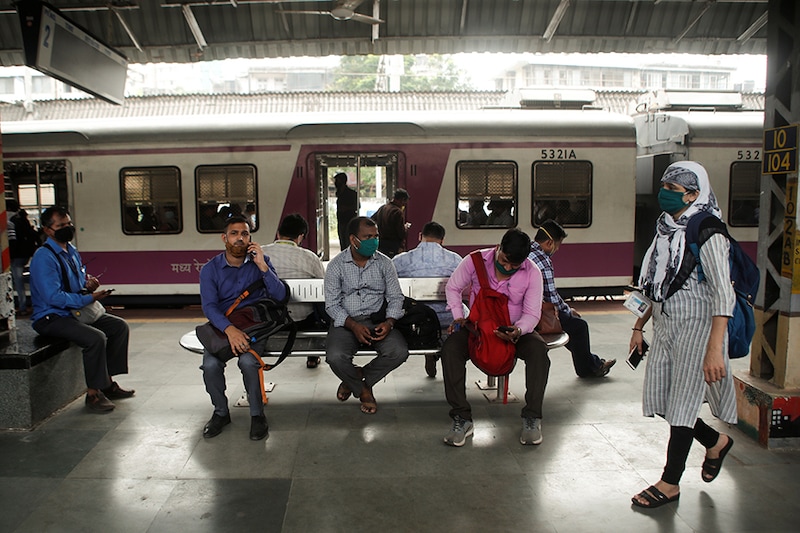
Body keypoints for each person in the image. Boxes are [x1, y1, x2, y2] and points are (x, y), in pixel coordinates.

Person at [630, 161, 736, 509]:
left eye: (672, 190)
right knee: (662, 399)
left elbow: (724, 293)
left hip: (698, 326)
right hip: (666, 325)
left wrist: (715, 349)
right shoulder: (666, 228)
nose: (663, 194)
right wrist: (638, 326)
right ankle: (714, 441)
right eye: (663, 186)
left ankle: (670, 482)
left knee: (684, 403)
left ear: (693, 194)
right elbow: (656, 284)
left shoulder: (708, 230)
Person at [441, 229, 550, 447]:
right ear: (498, 248)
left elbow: (532, 314)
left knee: (539, 351)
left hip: (514, 330)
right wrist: (459, 316)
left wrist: (517, 331)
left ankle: (532, 417)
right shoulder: (475, 261)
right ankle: (461, 417)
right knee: (451, 348)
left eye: (514, 266)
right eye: (504, 261)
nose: (507, 268)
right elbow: (453, 287)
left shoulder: (532, 272)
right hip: (477, 328)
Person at [29, 206, 133, 413]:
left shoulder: (71, 251)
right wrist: (88, 297)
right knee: (95, 338)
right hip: (52, 316)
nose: (68, 228)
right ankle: (93, 394)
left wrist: (88, 285)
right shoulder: (43, 257)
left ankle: (107, 382)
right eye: (61, 225)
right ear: (48, 230)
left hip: (75, 311)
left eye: (69, 223)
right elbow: (53, 297)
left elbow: (74, 284)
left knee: (118, 327)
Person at [199, 215, 287, 440]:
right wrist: (230, 330)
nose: (240, 238)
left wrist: (263, 267)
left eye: (245, 234)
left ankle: (257, 415)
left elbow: (280, 296)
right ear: (224, 238)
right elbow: (209, 307)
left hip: (256, 326)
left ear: (250, 238)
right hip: (223, 327)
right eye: (234, 233)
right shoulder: (210, 269)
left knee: (248, 361)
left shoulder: (261, 261)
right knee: (210, 365)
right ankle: (220, 412)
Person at [324, 216, 409, 415]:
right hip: (346, 321)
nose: (374, 241)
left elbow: (396, 297)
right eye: (368, 237)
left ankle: (354, 378)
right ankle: (363, 391)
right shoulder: (336, 265)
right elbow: (332, 304)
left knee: (399, 352)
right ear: (354, 240)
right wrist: (353, 325)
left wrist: (389, 322)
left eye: (376, 236)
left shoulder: (385, 263)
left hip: (377, 320)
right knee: (335, 357)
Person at [528, 219, 616, 378]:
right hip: (535, 314)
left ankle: (593, 364)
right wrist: (568, 310)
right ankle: (589, 368)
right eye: (558, 245)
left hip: (521, 309)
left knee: (572, 328)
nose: (557, 249)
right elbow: (551, 296)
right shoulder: (542, 259)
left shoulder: (527, 250)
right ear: (549, 242)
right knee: (579, 326)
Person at [392, 221, 462, 378]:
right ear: (442, 240)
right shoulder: (455, 260)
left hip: (414, 320)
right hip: (447, 319)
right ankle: (444, 353)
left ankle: (431, 351)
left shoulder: (400, 260)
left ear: (419, 237)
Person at [262, 213, 327, 369]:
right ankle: (312, 357)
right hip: (302, 322)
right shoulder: (310, 258)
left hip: (268, 320)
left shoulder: (260, 254)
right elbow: (324, 287)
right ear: (300, 236)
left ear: (278, 234)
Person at [8, 200, 39, 316]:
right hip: (26, 254)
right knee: (25, 279)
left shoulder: (10, 222)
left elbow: (12, 242)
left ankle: (22, 306)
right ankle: (34, 304)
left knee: (18, 281)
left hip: (16, 256)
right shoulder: (23, 220)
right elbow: (33, 234)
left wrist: (10, 256)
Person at [371, 189, 410, 258]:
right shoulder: (397, 212)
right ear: (402, 200)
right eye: (405, 202)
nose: (404, 205)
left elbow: (371, 220)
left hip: (380, 244)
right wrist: (405, 227)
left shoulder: (382, 208)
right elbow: (401, 233)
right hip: (393, 245)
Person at [334, 172, 358, 251]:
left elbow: (357, 206)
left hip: (349, 222)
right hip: (341, 222)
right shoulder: (339, 193)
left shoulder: (352, 193)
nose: (335, 183)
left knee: (349, 243)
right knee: (342, 242)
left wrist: (346, 208)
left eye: (337, 180)